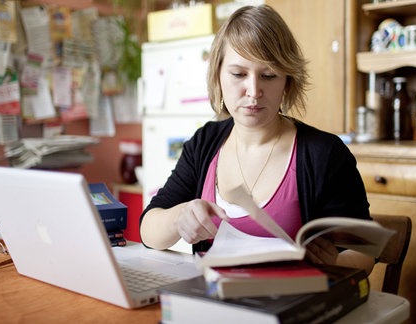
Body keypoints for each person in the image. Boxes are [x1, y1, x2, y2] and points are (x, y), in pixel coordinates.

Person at [140, 4, 374, 274]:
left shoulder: (325, 155)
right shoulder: (205, 142)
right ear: (218, 74)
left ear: (287, 80)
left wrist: (334, 261)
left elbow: (364, 255)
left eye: (269, 75)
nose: (253, 91)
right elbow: (148, 230)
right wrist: (178, 218)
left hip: (291, 308)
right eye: (239, 74)